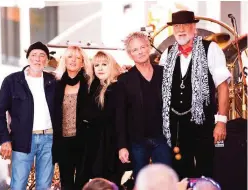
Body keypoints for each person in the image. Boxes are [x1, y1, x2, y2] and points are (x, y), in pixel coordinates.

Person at [159, 10, 231, 179]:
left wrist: (221, 121)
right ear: (173, 30)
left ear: (194, 28)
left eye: (185, 25)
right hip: (176, 125)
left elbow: (222, 87)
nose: (181, 29)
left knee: (205, 169)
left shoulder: (211, 49)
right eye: (177, 26)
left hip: (203, 123)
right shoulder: (167, 54)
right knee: (180, 170)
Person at [0, 41, 56, 189]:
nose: (38, 59)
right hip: (22, 140)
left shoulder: (53, 81)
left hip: (49, 140)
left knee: (44, 186)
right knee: (18, 185)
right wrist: (4, 139)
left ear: (46, 60)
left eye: (42, 56)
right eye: (34, 55)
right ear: (28, 58)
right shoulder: (12, 81)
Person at [116, 32, 172, 179]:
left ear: (149, 48)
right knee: (140, 182)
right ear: (130, 54)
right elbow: (120, 116)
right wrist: (122, 146)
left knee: (166, 181)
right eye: (135, 50)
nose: (140, 52)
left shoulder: (164, 73)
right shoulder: (124, 80)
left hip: (162, 138)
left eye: (142, 47)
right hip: (137, 141)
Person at [52, 46, 92, 190]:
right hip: (63, 141)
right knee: (66, 182)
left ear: (82, 63)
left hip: (84, 141)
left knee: (83, 182)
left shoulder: (90, 84)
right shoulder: (56, 84)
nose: (73, 60)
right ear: (64, 60)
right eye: (70, 56)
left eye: (77, 57)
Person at [82, 51, 124, 186]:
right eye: (97, 65)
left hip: (111, 144)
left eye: (104, 64)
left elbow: (118, 119)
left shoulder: (117, 87)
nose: (100, 68)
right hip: (96, 143)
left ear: (111, 66)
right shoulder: (94, 87)